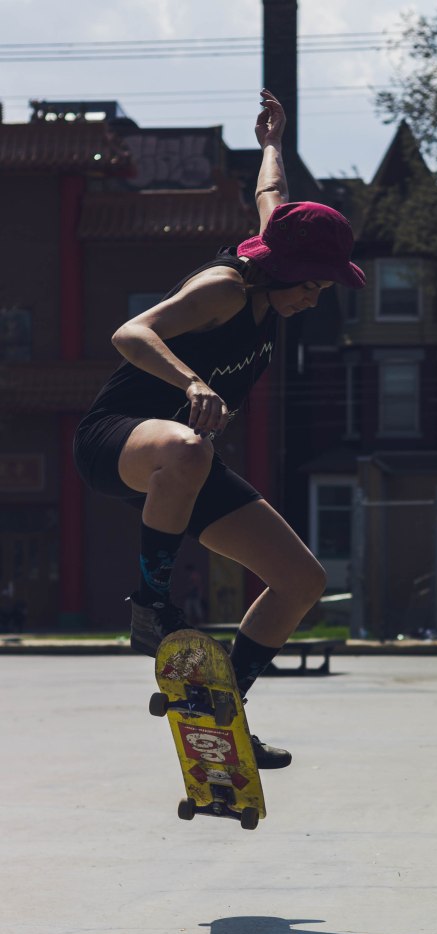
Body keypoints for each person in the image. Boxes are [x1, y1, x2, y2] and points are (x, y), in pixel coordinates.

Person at [73, 89, 365, 769]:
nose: (313, 299)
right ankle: (150, 605)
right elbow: (130, 331)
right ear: (281, 272)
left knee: (300, 580)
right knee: (184, 442)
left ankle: (221, 707)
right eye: (312, 288)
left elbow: (274, 192)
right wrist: (193, 382)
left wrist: (270, 141)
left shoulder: (277, 246)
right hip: (118, 440)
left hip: (188, 465)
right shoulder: (226, 288)